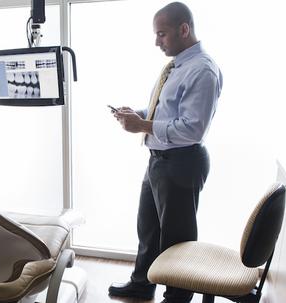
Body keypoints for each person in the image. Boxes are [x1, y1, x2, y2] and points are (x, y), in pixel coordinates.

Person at [107, 2, 223, 303]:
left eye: (162, 34)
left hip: (182, 162)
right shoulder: (176, 66)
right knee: (148, 228)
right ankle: (142, 284)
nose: (157, 41)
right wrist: (137, 114)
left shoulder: (202, 70)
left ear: (184, 29)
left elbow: (192, 128)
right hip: (159, 161)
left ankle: (177, 297)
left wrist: (143, 124)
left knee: (177, 238)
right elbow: (166, 111)